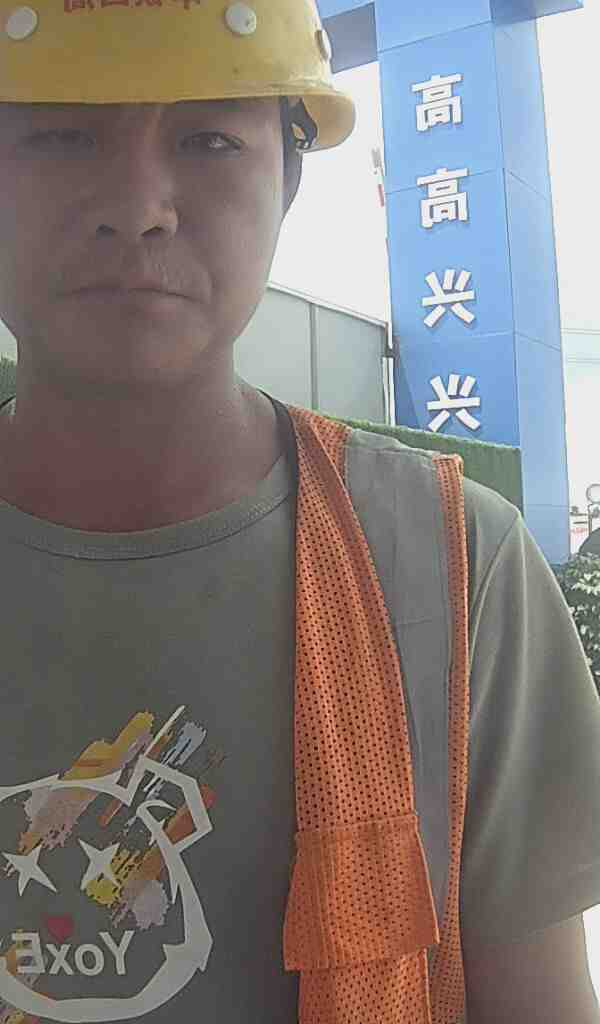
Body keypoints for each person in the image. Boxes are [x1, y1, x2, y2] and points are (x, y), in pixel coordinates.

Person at [0, 2, 598, 1022]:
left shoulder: (454, 570)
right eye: (60, 134)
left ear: (288, 180)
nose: (136, 208)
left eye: (207, 140)